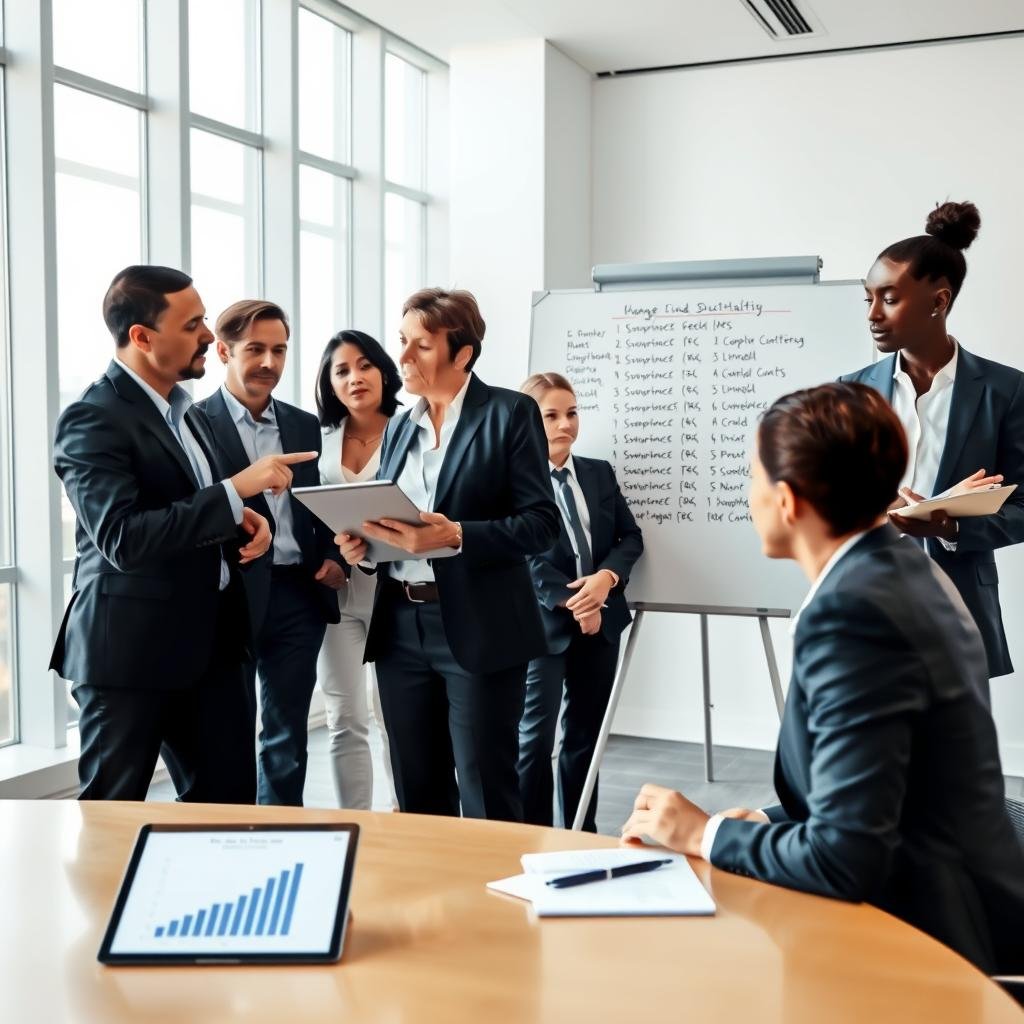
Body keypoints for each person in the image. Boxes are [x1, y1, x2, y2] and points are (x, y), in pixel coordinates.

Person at [621, 382, 1024, 977]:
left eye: (752, 477)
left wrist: (704, 835)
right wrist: (765, 822)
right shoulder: (897, 565)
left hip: (928, 946)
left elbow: (847, 858)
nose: (748, 495)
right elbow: (889, 787)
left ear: (787, 500)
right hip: (949, 894)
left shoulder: (853, 613)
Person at [51, 266, 312, 802]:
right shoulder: (92, 417)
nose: (208, 337)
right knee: (111, 819)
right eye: (193, 324)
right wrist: (236, 490)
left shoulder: (186, 413)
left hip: (211, 646)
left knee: (227, 811)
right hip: (130, 655)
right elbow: (122, 538)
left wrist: (243, 524)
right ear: (142, 337)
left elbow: (187, 506)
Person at [336, 288, 560, 821]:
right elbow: (398, 526)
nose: (405, 358)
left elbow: (541, 524)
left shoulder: (509, 412)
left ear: (462, 354)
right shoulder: (400, 428)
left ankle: (497, 898)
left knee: (485, 783)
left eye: (422, 345)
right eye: (402, 343)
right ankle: (431, 903)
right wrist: (364, 547)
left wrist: (456, 535)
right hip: (399, 628)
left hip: (481, 625)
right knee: (417, 787)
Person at [842, 201, 1024, 687]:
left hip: (957, 602)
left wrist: (952, 527)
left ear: (938, 302)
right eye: (868, 299)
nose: (873, 314)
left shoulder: (1006, 391)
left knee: (952, 755)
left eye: (889, 298)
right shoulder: (852, 392)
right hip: (865, 595)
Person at [197, 300, 344, 806]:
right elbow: (195, 511)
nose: (269, 362)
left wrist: (335, 558)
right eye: (255, 349)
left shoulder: (304, 425)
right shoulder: (196, 424)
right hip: (228, 597)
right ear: (222, 351)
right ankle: (231, 835)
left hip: (298, 595)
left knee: (287, 737)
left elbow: (315, 508)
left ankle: (282, 832)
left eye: (279, 350)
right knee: (228, 732)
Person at [516, 372, 643, 831]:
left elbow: (630, 537)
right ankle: (528, 834)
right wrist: (577, 602)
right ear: (529, 419)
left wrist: (606, 579)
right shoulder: (513, 481)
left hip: (603, 622)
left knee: (585, 737)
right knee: (534, 737)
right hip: (541, 626)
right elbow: (524, 557)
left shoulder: (597, 472)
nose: (565, 424)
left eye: (571, 413)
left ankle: (579, 830)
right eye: (551, 415)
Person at [314, 330, 401, 810]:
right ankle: (356, 824)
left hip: (398, 595)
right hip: (339, 597)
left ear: (384, 372)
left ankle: (407, 820)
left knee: (395, 717)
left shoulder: (412, 429)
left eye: (365, 365)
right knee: (344, 717)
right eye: (342, 370)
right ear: (329, 383)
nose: (355, 377)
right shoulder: (319, 439)